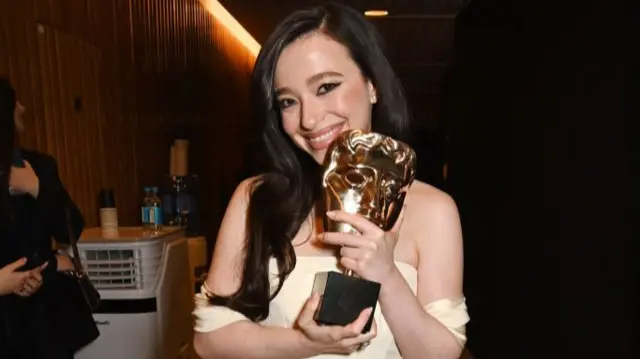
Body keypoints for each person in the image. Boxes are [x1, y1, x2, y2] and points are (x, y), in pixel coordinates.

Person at [193, 3, 469, 359]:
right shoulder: (256, 199)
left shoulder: (434, 210)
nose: (309, 119)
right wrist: (304, 344)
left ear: (372, 85)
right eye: (288, 101)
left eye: (325, 87)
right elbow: (208, 339)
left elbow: (440, 354)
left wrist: (386, 274)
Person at [0, 76, 87, 359]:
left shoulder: (37, 165)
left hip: (44, 323)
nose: (22, 108)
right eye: (15, 102)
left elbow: (71, 229)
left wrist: (36, 188)